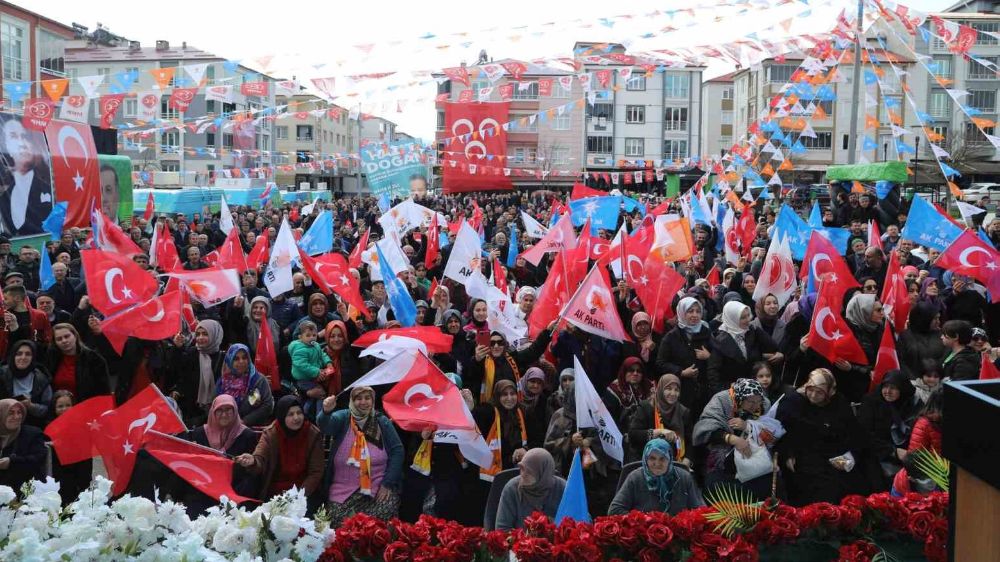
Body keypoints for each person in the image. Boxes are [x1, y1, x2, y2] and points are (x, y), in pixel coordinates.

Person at [775, 369, 872, 506]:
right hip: (803, 455)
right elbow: (782, 432)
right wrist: (787, 454)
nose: (813, 395)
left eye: (820, 392)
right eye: (811, 390)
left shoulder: (838, 402)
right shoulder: (793, 401)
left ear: (829, 392)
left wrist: (851, 455)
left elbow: (853, 432)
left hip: (836, 453)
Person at [316, 387, 404, 525]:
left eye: (367, 398)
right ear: (351, 400)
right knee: (341, 522)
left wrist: (387, 483)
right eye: (358, 398)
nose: (363, 402)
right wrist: (326, 411)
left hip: (377, 486)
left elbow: (397, 451)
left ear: (373, 400)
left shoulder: (382, 421)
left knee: (379, 520)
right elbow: (326, 426)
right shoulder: (344, 417)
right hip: (343, 489)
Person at [693, 378, 777, 501]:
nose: (756, 406)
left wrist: (747, 426)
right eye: (751, 402)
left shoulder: (764, 404)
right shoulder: (722, 400)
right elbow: (706, 427)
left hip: (755, 458)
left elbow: (770, 434)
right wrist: (733, 439)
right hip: (722, 458)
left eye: (758, 401)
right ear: (740, 398)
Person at [236, 396, 324, 506]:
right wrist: (253, 461)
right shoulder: (271, 433)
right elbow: (260, 457)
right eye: (290, 414)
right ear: (282, 416)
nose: (296, 418)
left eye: (299, 413)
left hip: (304, 494)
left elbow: (316, 471)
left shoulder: (312, 433)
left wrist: (298, 496)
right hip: (275, 494)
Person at [187, 395, 260, 499]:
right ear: (213, 412)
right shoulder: (199, 433)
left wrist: (249, 463)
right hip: (203, 490)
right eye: (219, 410)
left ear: (235, 411)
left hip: (234, 493)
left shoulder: (247, 435)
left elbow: (252, 471)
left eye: (228, 410)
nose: (224, 415)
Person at [857, 370, 920, 490]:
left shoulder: (912, 404)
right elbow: (864, 434)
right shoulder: (872, 402)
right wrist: (893, 451)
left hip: (907, 452)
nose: (888, 392)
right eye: (885, 387)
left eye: (893, 388)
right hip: (876, 452)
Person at [608, 439, 704, 516]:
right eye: (652, 458)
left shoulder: (684, 477)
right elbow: (615, 510)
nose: (657, 464)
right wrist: (641, 520)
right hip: (644, 534)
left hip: (677, 534)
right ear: (645, 459)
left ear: (670, 459)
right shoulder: (635, 477)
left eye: (662, 458)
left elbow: (700, 510)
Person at [707, 301, 780, 393]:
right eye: (743, 318)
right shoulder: (720, 340)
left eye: (748, 315)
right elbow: (713, 373)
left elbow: (773, 346)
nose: (748, 320)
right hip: (733, 391)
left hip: (755, 387)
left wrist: (757, 330)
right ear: (733, 319)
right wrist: (728, 388)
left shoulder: (752, 331)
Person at [656, 297, 713, 412]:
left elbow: (718, 359)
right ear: (682, 312)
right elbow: (660, 363)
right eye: (690, 311)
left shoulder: (706, 332)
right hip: (680, 391)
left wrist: (709, 357)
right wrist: (681, 372)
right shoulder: (671, 337)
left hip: (703, 391)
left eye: (698, 311)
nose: (695, 315)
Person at [0, 118, 53, 237]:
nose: (22, 143)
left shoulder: (47, 189)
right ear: (6, 146)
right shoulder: (4, 197)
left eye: (25, 137)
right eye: (13, 136)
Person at [494, 448, 566, 530]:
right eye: (521, 469)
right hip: (518, 541)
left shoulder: (562, 488)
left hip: (554, 541)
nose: (522, 474)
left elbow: (573, 524)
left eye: (527, 471)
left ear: (541, 473)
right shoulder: (512, 489)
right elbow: (502, 529)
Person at [626, 374, 691, 465]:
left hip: (674, 462)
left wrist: (687, 460)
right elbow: (633, 435)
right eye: (668, 389)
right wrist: (658, 432)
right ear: (660, 389)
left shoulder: (683, 412)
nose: (673, 393)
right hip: (645, 460)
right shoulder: (647, 407)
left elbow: (689, 441)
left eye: (676, 390)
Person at [169, 320, 224, 425]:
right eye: (198, 334)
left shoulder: (224, 358)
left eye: (205, 334)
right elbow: (177, 370)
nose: (200, 338)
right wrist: (177, 349)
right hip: (191, 411)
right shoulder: (191, 353)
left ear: (215, 335)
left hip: (215, 412)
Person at [891, 391, 944, 496]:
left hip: (939, 476)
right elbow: (915, 456)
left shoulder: (943, 422)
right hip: (924, 478)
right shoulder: (924, 424)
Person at [47, 390, 93, 505]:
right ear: (54, 408)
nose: (64, 409)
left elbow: (86, 454)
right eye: (60, 406)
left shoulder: (82, 425)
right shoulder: (49, 427)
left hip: (78, 471)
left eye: (68, 405)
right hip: (59, 473)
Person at [44, 323, 110, 402]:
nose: (64, 341)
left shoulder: (93, 358)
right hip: (60, 409)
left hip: (86, 406)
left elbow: (104, 389)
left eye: (67, 336)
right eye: (59, 339)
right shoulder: (51, 358)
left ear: (75, 336)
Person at [216, 344, 274, 426]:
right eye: (236, 359)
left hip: (253, 430)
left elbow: (268, 405)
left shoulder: (258, 380)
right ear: (230, 361)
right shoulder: (222, 382)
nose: (241, 361)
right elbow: (216, 406)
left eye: (244, 358)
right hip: (227, 428)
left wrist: (244, 422)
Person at [0, 340, 51, 427]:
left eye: (28, 354)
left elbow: (46, 409)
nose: (23, 357)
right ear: (13, 356)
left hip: (31, 425)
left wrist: (30, 406)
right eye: (19, 354)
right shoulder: (1, 374)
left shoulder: (41, 378)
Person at [288, 320, 332, 419]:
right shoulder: (299, 349)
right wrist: (316, 371)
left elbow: (322, 354)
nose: (311, 337)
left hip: (312, 377)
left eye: (314, 335)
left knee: (313, 398)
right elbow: (301, 365)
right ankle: (320, 417)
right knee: (321, 394)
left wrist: (328, 362)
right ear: (300, 337)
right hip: (304, 379)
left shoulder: (315, 345)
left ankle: (306, 412)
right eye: (308, 335)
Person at [0, 398, 46, 490]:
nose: (16, 417)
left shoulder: (32, 433)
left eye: (19, 412)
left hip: (25, 490)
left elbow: (38, 458)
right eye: (11, 413)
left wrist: (11, 462)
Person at [603, 356, 653, 427]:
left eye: (639, 371)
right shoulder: (614, 389)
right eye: (631, 370)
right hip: (621, 430)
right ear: (624, 371)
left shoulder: (649, 387)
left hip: (646, 430)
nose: (635, 373)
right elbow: (609, 418)